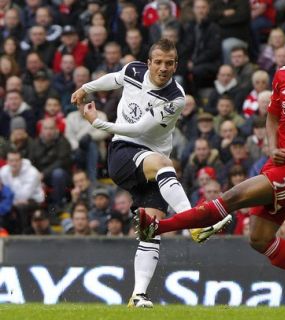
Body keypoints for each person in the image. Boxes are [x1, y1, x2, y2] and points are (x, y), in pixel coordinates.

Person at [135, 26, 285, 311]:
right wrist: (272, 147)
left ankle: (158, 227)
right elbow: (272, 116)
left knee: (233, 197)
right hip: (278, 162)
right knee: (259, 239)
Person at [71, 38, 229, 308]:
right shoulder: (133, 71)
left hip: (148, 160)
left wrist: (97, 122)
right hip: (123, 153)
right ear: (149, 63)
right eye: (158, 62)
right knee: (163, 164)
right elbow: (115, 79)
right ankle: (195, 222)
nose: (163, 68)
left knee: (150, 227)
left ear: (176, 65)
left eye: (169, 63)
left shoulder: (175, 98)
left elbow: (142, 129)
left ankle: (138, 295)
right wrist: (86, 87)